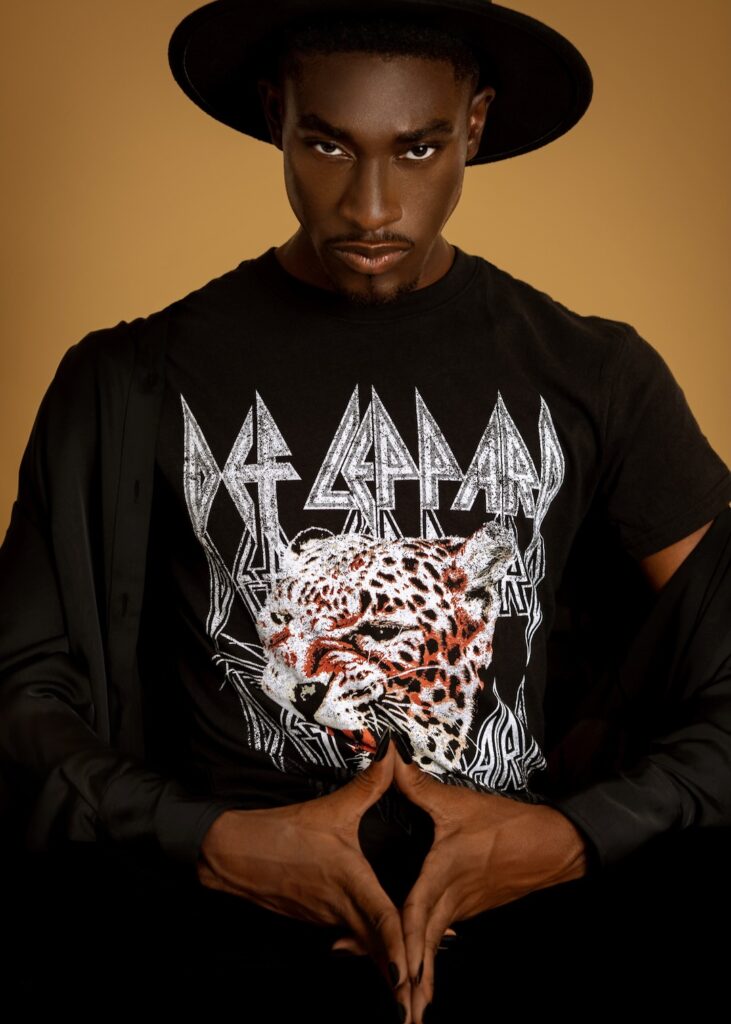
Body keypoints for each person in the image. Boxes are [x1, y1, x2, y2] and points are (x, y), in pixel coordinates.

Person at [1, 1, 730, 1020]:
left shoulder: (596, 374)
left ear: (474, 125)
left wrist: (571, 837)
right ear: (275, 116)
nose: (370, 205)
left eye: (418, 148)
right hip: (202, 947)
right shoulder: (125, 383)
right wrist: (211, 842)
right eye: (328, 144)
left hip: (534, 941)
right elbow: (22, 693)